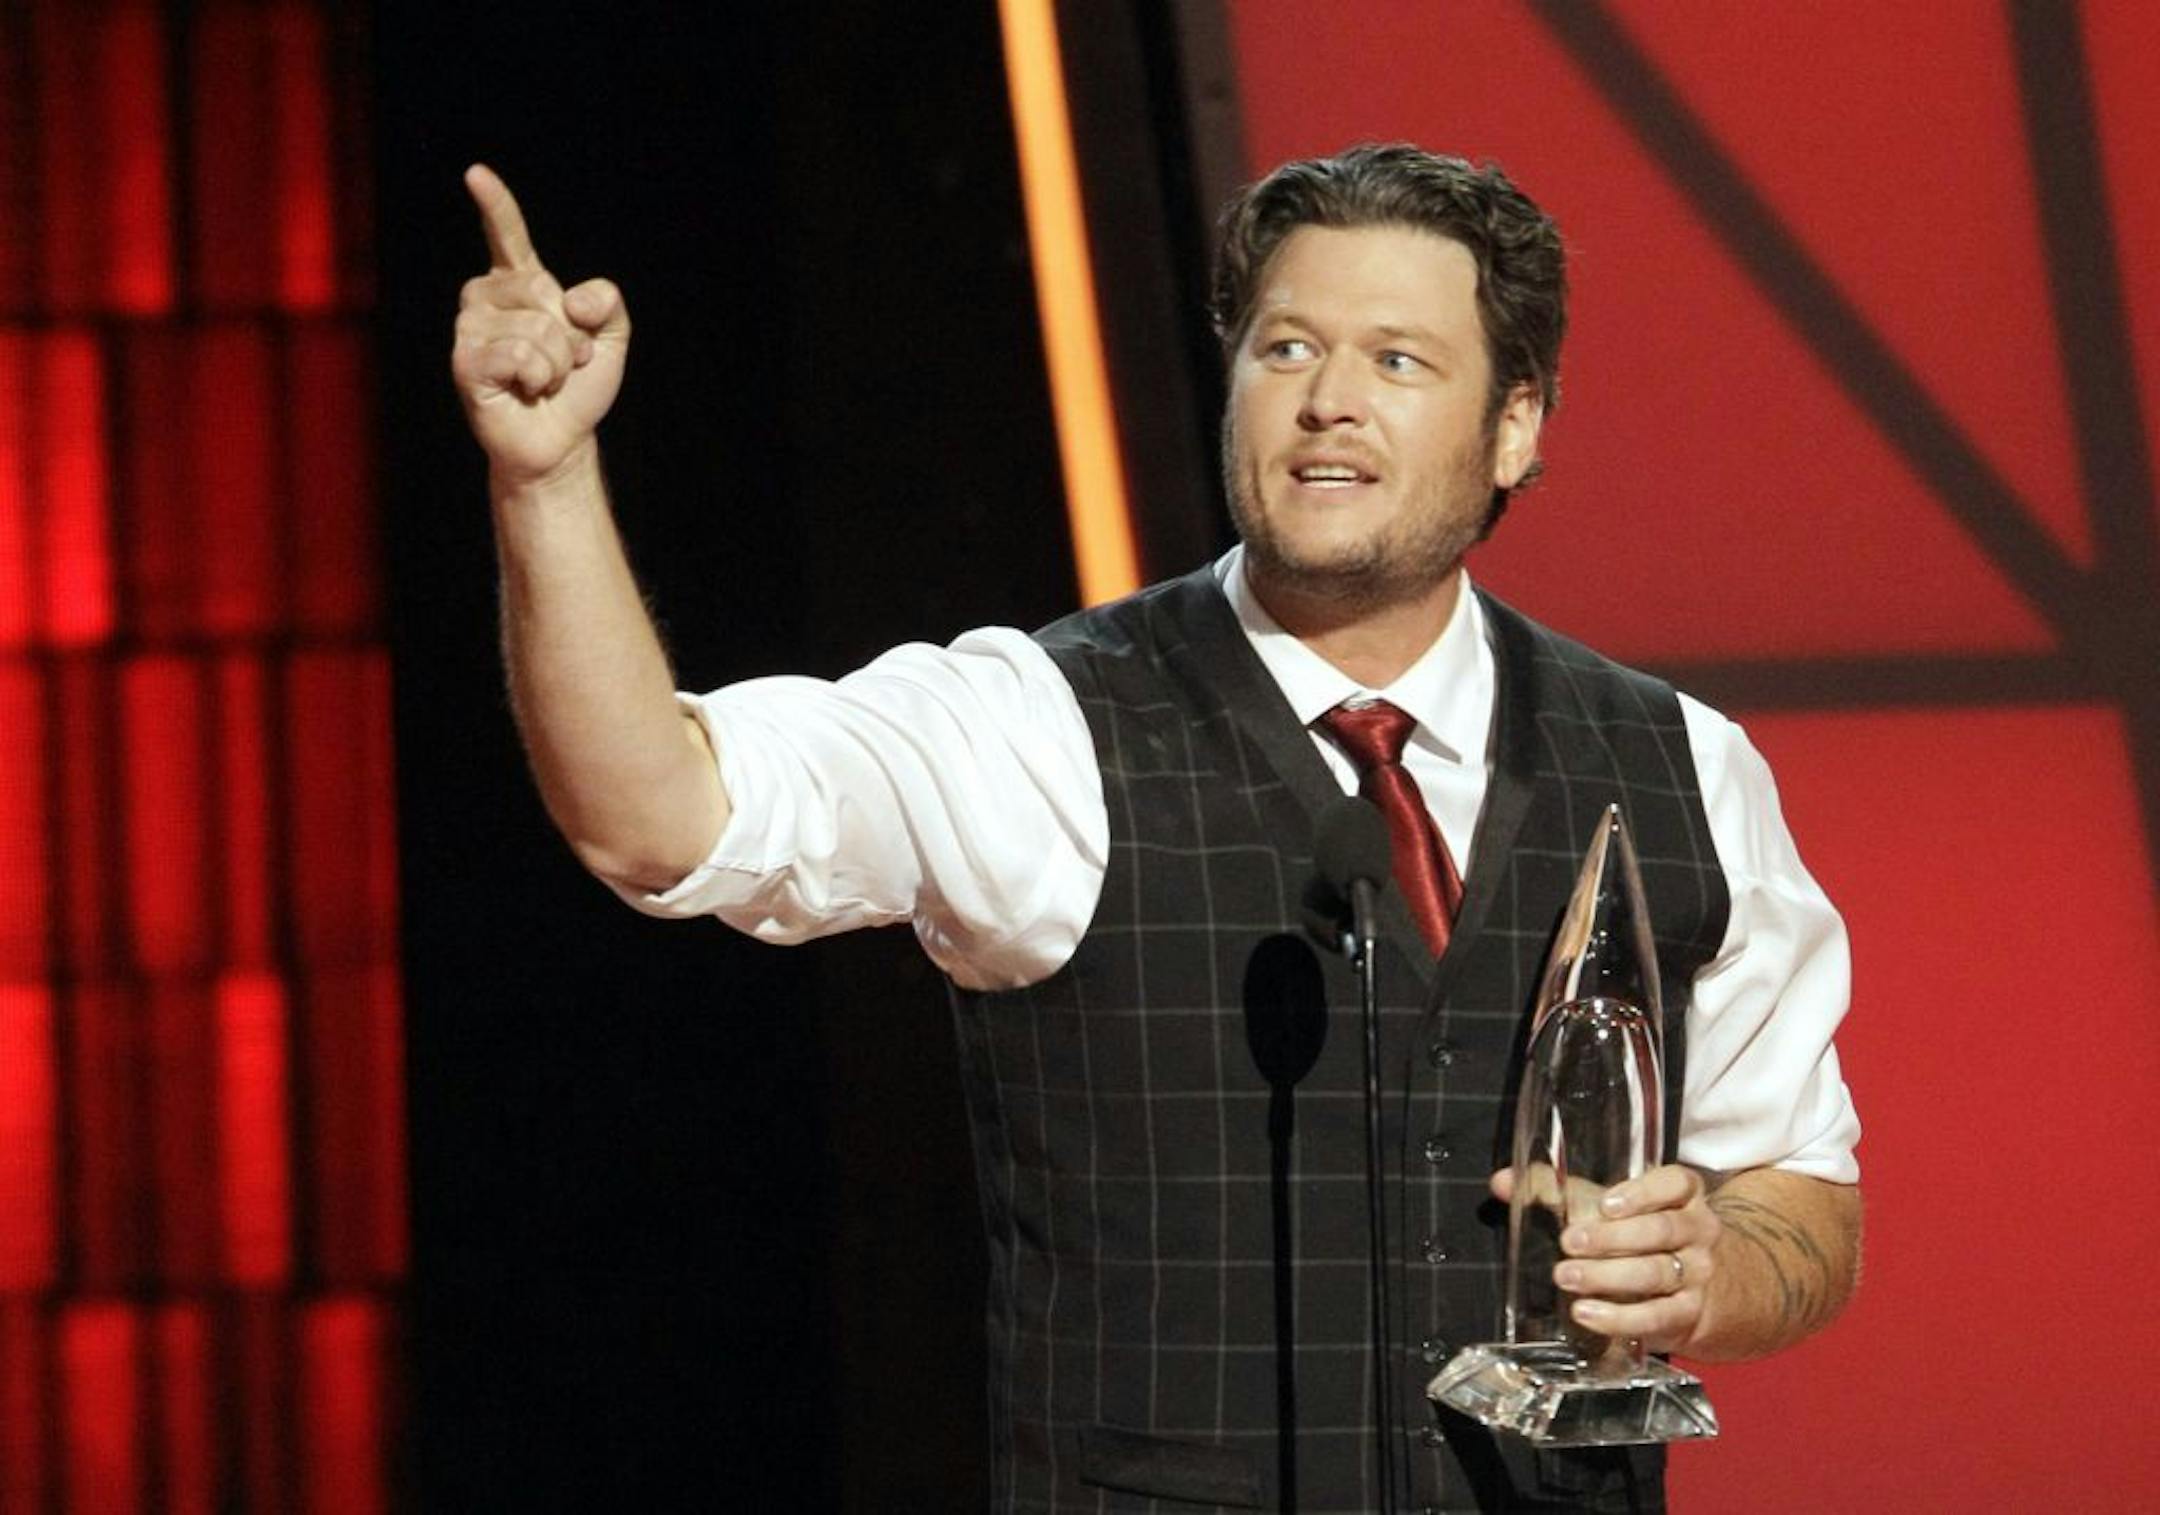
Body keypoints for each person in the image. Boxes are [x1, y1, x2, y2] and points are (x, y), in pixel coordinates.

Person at [453, 143, 1861, 1513]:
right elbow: (655, 814)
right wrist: (546, 480)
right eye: (1286, 349)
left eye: (1397, 360)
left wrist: (1709, 1275)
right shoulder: (1041, 722)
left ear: (1516, 425)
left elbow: (1800, 1195)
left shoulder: (1684, 766)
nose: (1327, 403)